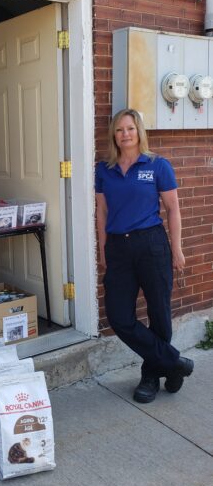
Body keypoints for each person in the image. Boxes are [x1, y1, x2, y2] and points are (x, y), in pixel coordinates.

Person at [95, 108, 194, 403]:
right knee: (119, 316)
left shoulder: (157, 165)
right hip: (118, 247)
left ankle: (151, 375)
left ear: (139, 132)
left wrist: (177, 249)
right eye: (119, 129)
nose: (125, 134)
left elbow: (173, 209)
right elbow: (102, 212)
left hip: (151, 244)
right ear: (114, 135)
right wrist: (103, 249)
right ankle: (174, 363)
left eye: (130, 128)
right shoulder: (104, 170)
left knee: (159, 313)